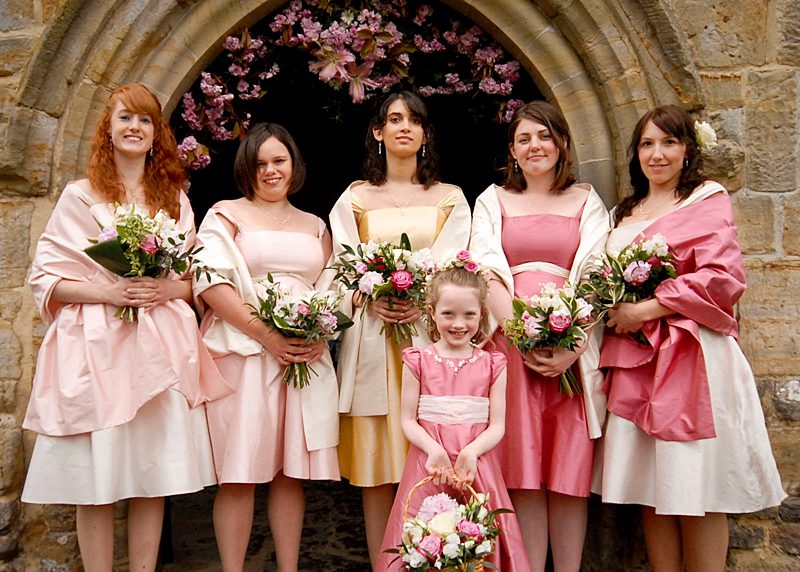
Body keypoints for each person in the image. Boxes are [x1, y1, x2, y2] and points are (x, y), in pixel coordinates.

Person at [22, 83, 224, 571]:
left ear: (157, 134)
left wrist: (165, 290)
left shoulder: (174, 199)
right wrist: (110, 292)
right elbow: (45, 278)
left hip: (159, 346)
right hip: (95, 348)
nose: (135, 128)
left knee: (151, 473)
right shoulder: (80, 195)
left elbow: (192, 281)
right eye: (124, 119)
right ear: (107, 130)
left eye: (145, 120)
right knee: (95, 477)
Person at [594, 105, 786, 572]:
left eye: (668, 143)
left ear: (687, 150)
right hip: (636, 358)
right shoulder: (625, 212)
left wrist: (647, 308)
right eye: (646, 144)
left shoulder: (706, 199)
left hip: (691, 355)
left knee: (696, 483)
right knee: (650, 484)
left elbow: (723, 276)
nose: (656, 154)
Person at [328, 91, 471, 567]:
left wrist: (419, 299)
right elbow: (341, 264)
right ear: (378, 132)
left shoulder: (450, 198)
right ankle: (382, 563)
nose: (403, 127)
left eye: (414, 120)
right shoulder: (355, 198)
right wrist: (372, 293)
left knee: (434, 449)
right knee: (376, 464)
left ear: (426, 133)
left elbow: (456, 265)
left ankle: (435, 558)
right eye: (393, 119)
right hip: (372, 335)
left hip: (429, 335)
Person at [469, 101, 610, 571]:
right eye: (524, 138)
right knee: (524, 470)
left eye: (545, 136)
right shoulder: (492, 200)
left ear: (563, 144)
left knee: (568, 471)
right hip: (512, 347)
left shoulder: (588, 202)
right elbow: (485, 267)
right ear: (512, 150)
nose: (535, 146)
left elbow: (595, 271)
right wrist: (522, 333)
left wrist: (572, 342)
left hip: (572, 345)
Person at [192, 123, 340, 572]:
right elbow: (211, 282)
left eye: (279, 161)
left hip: (301, 357)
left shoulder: (316, 226)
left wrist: (318, 332)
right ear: (246, 169)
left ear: (294, 165)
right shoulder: (224, 215)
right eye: (260, 163)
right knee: (239, 474)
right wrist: (268, 335)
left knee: (289, 473)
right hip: (245, 355)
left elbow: (333, 284)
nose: (271, 171)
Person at [376, 262, 531, 571]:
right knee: (421, 532)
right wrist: (433, 449)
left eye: (469, 315)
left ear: (481, 314)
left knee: (479, 533)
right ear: (431, 312)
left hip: (476, 463)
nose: (459, 324)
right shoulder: (418, 359)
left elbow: (497, 424)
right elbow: (408, 419)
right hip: (428, 461)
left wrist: (471, 452)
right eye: (448, 314)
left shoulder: (492, 363)